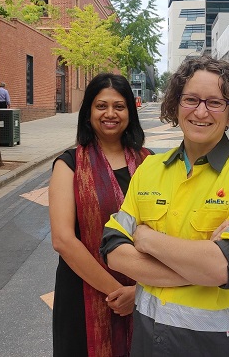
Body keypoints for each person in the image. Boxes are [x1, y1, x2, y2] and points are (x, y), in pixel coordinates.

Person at [100, 56, 229, 357]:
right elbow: (113, 249)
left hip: (221, 343)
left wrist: (146, 239)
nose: (201, 111)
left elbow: (228, 266)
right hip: (149, 337)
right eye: (191, 99)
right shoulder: (149, 169)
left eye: (216, 102)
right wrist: (200, 266)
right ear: (176, 106)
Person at [49, 73, 152, 357]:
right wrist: (118, 292)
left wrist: (139, 293)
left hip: (145, 293)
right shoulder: (68, 164)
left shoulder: (150, 163)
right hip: (83, 294)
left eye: (119, 106)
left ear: (130, 111)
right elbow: (63, 240)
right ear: (88, 112)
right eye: (101, 106)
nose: (110, 114)